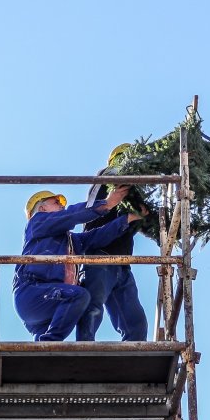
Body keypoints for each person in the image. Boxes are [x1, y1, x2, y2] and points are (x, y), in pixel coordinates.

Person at [13, 186, 142, 341]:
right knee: (78, 296)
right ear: (42, 208)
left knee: (42, 347)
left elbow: (96, 236)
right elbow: (70, 216)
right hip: (34, 292)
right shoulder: (38, 222)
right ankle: (51, 343)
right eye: (56, 202)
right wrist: (106, 204)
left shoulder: (71, 241)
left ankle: (45, 357)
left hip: (50, 299)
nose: (62, 205)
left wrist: (127, 219)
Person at [76, 145, 148, 341]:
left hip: (122, 264)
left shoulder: (136, 190)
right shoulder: (107, 175)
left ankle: (134, 361)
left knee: (136, 321)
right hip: (99, 257)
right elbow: (93, 210)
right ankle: (82, 352)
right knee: (93, 309)